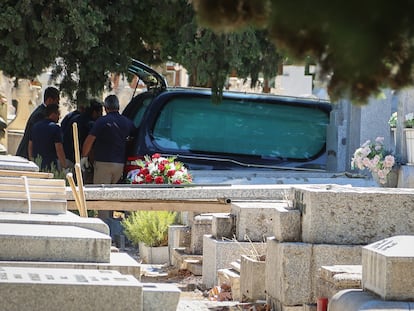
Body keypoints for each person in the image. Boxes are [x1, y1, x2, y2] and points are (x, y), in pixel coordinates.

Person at [81, 94, 135, 219]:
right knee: (112, 195)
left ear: (105, 108)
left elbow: (90, 140)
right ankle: (110, 222)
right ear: (118, 106)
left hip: (103, 163)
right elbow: (133, 137)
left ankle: (104, 224)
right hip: (119, 165)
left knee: (101, 195)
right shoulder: (127, 122)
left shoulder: (101, 121)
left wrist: (84, 157)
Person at [16, 86, 60, 159]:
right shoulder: (40, 115)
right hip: (28, 154)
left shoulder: (41, 111)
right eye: (56, 101)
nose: (57, 105)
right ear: (50, 100)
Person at [62, 99, 103, 167]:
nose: (101, 115)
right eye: (100, 112)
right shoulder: (91, 125)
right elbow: (90, 146)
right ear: (95, 112)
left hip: (67, 157)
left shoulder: (73, 118)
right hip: (79, 160)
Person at [28, 103, 66, 171]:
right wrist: (65, 167)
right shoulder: (55, 128)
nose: (59, 117)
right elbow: (59, 149)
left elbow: (30, 146)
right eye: (58, 114)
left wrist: (32, 160)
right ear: (53, 114)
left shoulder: (35, 126)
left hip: (37, 164)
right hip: (50, 165)